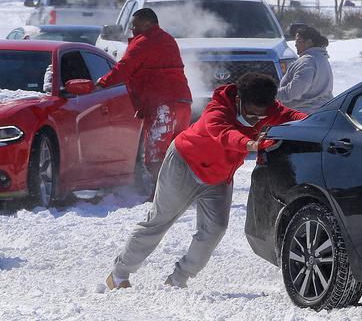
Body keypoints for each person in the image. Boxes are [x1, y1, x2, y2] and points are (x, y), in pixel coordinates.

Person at [106, 73, 307, 289]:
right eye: (251, 114)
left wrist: (321, 120)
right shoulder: (218, 108)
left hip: (218, 178)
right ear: (239, 100)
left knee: (215, 229)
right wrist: (249, 144)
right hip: (184, 165)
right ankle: (119, 274)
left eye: (261, 116)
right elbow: (223, 133)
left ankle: (178, 278)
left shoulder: (269, 110)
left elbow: (293, 116)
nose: (254, 120)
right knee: (159, 220)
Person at [97, 8, 192, 197]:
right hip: (182, 102)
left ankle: (161, 196)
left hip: (163, 104)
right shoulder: (168, 39)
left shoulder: (143, 42)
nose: (131, 29)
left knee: (156, 154)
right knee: (176, 151)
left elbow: (124, 68)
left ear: (148, 24)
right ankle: (180, 192)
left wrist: (101, 84)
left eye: (135, 25)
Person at [277, 26, 333, 114]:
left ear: (309, 42)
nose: (295, 45)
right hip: (320, 113)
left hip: (303, 116)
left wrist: (272, 94)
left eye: (299, 41)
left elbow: (293, 92)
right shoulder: (321, 58)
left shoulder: (307, 61)